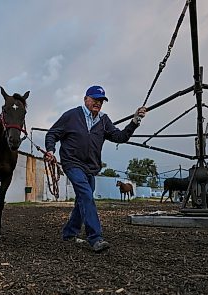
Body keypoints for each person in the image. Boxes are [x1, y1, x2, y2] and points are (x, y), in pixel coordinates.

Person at [44, 85, 147, 252]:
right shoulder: (71, 115)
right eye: (94, 99)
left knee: (83, 199)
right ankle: (95, 237)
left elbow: (120, 137)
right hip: (72, 163)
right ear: (86, 99)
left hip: (91, 167)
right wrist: (50, 150)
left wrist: (135, 121)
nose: (97, 103)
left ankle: (69, 233)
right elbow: (52, 134)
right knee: (85, 194)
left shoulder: (104, 120)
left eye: (101, 101)